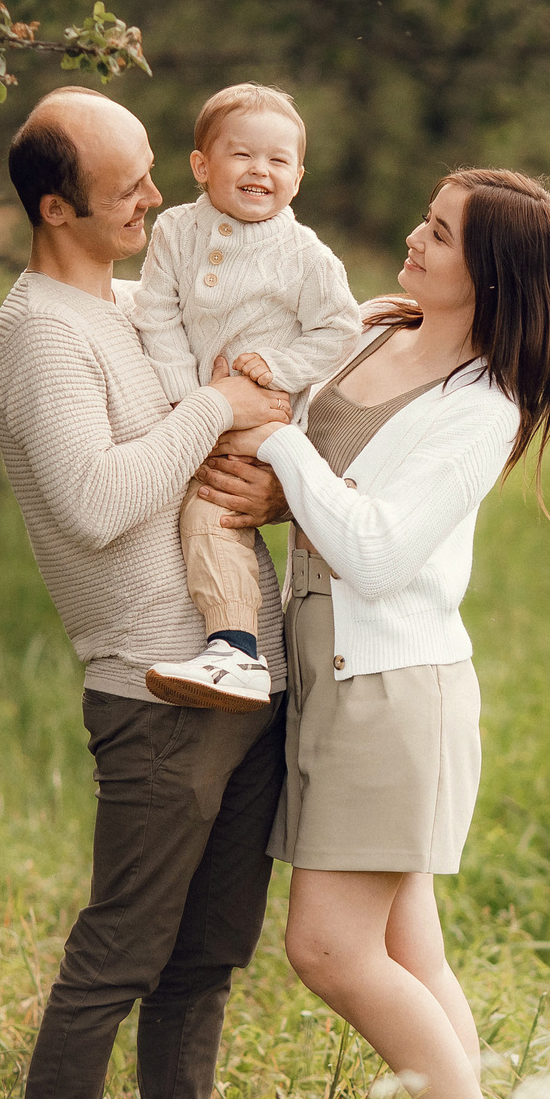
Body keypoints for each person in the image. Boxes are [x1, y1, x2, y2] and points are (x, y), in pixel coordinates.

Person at [209, 168, 550, 1099]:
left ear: (493, 274)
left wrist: (278, 444)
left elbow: (376, 550)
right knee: (412, 958)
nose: (415, 242)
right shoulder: (380, 333)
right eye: (424, 221)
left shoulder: (480, 408)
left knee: (329, 950)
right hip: (333, 669)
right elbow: (337, 479)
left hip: (392, 685)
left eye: (439, 234)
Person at [0, 85, 293, 1099]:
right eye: (130, 190)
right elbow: (98, 502)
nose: (158, 199)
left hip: (247, 680)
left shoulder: (129, 306)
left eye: (155, 171)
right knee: (120, 952)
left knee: (205, 960)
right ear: (57, 206)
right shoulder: (41, 336)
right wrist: (212, 403)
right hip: (156, 694)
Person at [132, 83, 360, 711]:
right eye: (241, 156)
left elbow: (340, 330)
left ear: (298, 177)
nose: (261, 170)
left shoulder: (304, 253)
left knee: (211, 511)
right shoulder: (177, 230)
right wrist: (191, 403)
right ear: (201, 166)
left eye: (278, 160)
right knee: (179, 506)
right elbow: (156, 316)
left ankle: (235, 649)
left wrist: (281, 367)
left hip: (265, 418)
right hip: (200, 408)